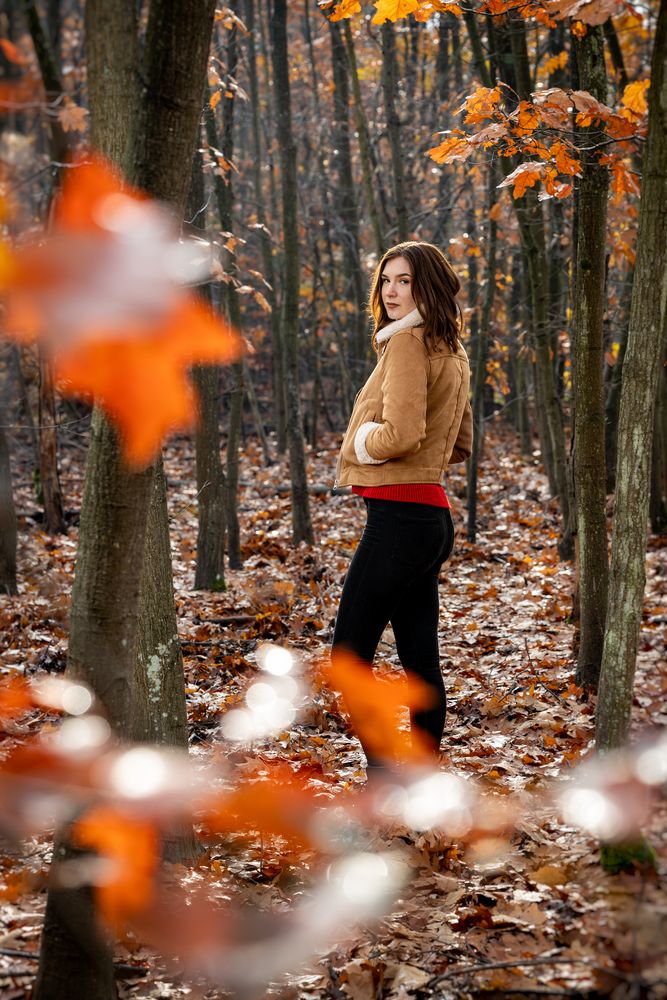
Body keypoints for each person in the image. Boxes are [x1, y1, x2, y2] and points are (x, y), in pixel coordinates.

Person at [332, 241, 472, 772]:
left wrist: (360, 444)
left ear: (426, 286)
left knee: (347, 658)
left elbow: (404, 432)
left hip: (399, 519)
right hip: (430, 519)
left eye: (405, 281)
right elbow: (459, 444)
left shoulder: (409, 344)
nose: (391, 290)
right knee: (418, 658)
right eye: (387, 279)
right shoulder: (451, 348)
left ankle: (387, 775)